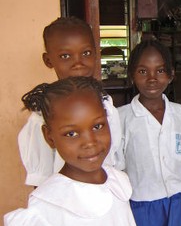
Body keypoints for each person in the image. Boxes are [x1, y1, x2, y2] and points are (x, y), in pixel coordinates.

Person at [2, 76, 142, 226]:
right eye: (72, 133)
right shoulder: (50, 209)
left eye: (98, 126)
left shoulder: (117, 182)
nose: (90, 142)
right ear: (49, 137)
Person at [116, 39, 181, 226]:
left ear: (171, 74)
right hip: (141, 207)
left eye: (160, 70)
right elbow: (115, 170)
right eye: (143, 71)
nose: (152, 78)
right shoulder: (121, 118)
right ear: (132, 74)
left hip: (177, 203)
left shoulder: (180, 113)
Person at [18, 17, 121, 187]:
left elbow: (112, 157)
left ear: (96, 53)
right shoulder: (43, 115)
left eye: (86, 53)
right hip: (66, 202)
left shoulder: (106, 104)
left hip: (104, 194)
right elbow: (40, 179)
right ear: (48, 60)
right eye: (66, 56)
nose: (78, 63)